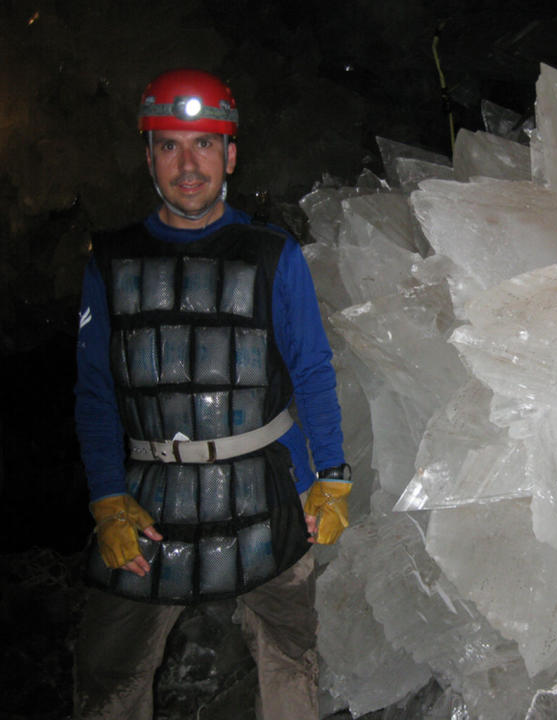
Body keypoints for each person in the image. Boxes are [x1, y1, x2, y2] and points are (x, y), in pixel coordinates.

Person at [72, 68, 350, 719]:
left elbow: (311, 370)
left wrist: (330, 476)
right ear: (149, 156)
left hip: (266, 487)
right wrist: (107, 497)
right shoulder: (109, 263)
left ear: (229, 155)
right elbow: (94, 391)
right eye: (170, 145)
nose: (187, 163)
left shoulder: (273, 256)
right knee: (108, 679)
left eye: (204, 144)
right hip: (148, 499)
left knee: (290, 661)